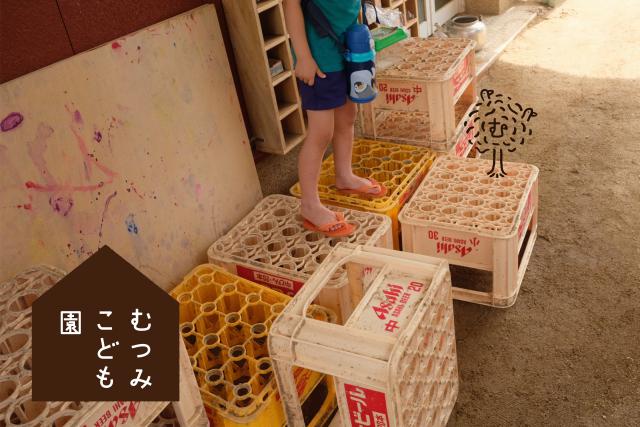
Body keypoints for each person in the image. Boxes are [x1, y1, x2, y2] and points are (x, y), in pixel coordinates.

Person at [283, 0, 386, 237]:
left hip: (349, 48)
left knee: (348, 116)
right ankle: (309, 205)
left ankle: (344, 175)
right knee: (321, 132)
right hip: (319, 58)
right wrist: (303, 57)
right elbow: (290, 4)